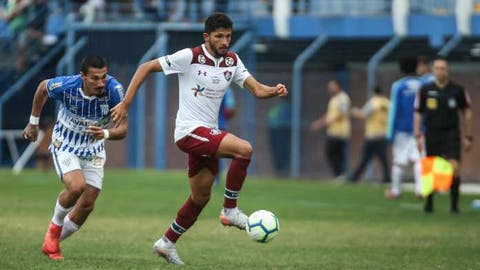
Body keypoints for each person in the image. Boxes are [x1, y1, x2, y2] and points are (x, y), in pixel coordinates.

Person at [110, 13, 287, 265]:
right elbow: (145, 67)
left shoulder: (232, 61)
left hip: (207, 134)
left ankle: (166, 242)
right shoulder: (190, 57)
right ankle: (230, 210)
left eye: (228, 36)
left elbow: (257, 89)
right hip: (189, 131)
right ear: (206, 37)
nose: (225, 41)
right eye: (219, 37)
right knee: (244, 149)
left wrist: (274, 90)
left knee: (200, 197)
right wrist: (125, 104)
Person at [22, 56, 128, 260]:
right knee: (76, 186)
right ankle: (53, 233)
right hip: (66, 144)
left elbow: (122, 129)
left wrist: (105, 134)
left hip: (94, 149)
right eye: (95, 78)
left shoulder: (114, 91)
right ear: (83, 77)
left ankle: (51, 242)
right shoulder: (67, 85)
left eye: (104, 77)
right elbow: (43, 87)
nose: (101, 83)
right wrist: (33, 122)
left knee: (87, 204)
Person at [414, 56, 472, 213]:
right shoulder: (425, 90)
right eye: (437, 68)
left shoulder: (457, 90)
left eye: (443, 68)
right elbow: (418, 112)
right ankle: (429, 204)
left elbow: (466, 111)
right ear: (433, 70)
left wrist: (468, 135)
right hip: (432, 133)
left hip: (451, 133)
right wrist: (417, 133)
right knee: (431, 169)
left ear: (448, 70)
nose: (440, 71)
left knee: (454, 167)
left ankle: (454, 207)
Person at [384, 57, 422, 199]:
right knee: (418, 160)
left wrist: (390, 133)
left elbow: (394, 110)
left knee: (399, 161)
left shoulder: (398, 86)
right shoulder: (423, 85)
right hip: (420, 130)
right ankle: (420, 190)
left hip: (402, 130)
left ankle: (396, 190)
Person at [348, 85, 390, 183]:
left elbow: (363, 114)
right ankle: (387, 178)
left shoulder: (373, 103)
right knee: (383, 159)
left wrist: (353, 111)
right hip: (383, 135)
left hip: (372, 135)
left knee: (364, 158)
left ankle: (354, 177)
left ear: (373, 92)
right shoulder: (388, 103)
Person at [310, 79, 351, 178]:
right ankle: (340, 175)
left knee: (332, 152)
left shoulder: (343, 98)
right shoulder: (333, 99)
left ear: (338, 86)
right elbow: (328, 115)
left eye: (332, 86)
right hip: (333, 131)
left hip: (340, 131)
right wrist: (319, 123)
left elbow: (343, 113)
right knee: (334, 153)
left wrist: (331, 120)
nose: (330, 88)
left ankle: (340, 174)